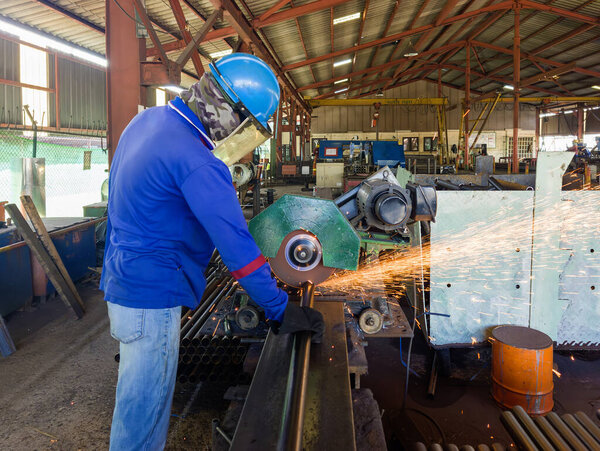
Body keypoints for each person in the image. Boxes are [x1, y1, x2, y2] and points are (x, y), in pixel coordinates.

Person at [100, 53, 324, 451]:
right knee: (145, 416)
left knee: (134, 403)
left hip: (123, 285)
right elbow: (239, 250)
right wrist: (279, 308)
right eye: (246, 128)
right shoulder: (198, 162)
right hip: (152, 301)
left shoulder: (146, 123)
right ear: (230, 112)